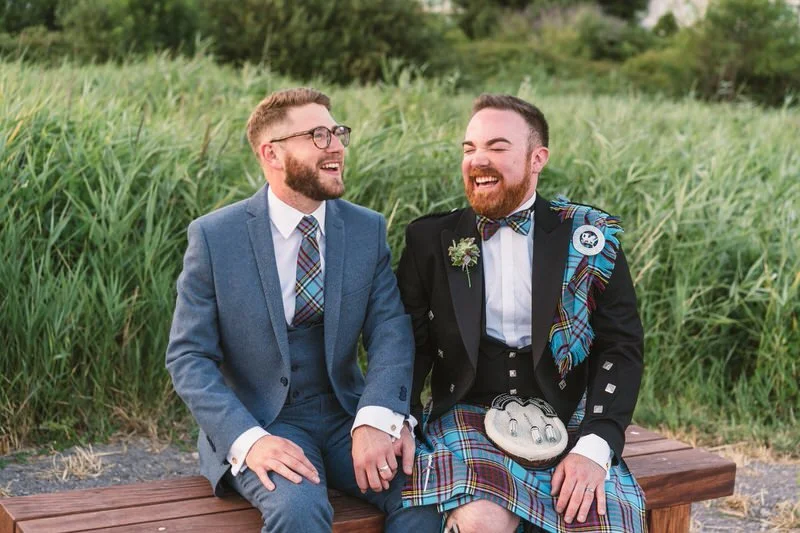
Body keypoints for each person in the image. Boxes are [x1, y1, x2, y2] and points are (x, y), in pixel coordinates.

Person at [166, 87, 440, 532]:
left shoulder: (365, 228)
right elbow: (188, 357)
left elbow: (391, 329)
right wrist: (249, 441)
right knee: (299, 509)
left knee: (424, 495)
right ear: (271, 153)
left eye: (336, 133)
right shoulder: (216, 237)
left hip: (346, 416)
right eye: (317, 135)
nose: (335, 145)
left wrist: (377, 417)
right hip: (263, 420)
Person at [397, 94, 647, 533]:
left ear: (537, 159)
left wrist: (596, 442)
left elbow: (620, 346)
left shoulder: (587, 236)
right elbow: (409, 344)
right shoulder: (430, 239)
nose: (478, 160)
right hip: (468, 411)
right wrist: (402, 415)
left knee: (598, 519)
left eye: (497, 147)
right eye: (469, 148)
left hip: (568, 417)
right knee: (480, 522)